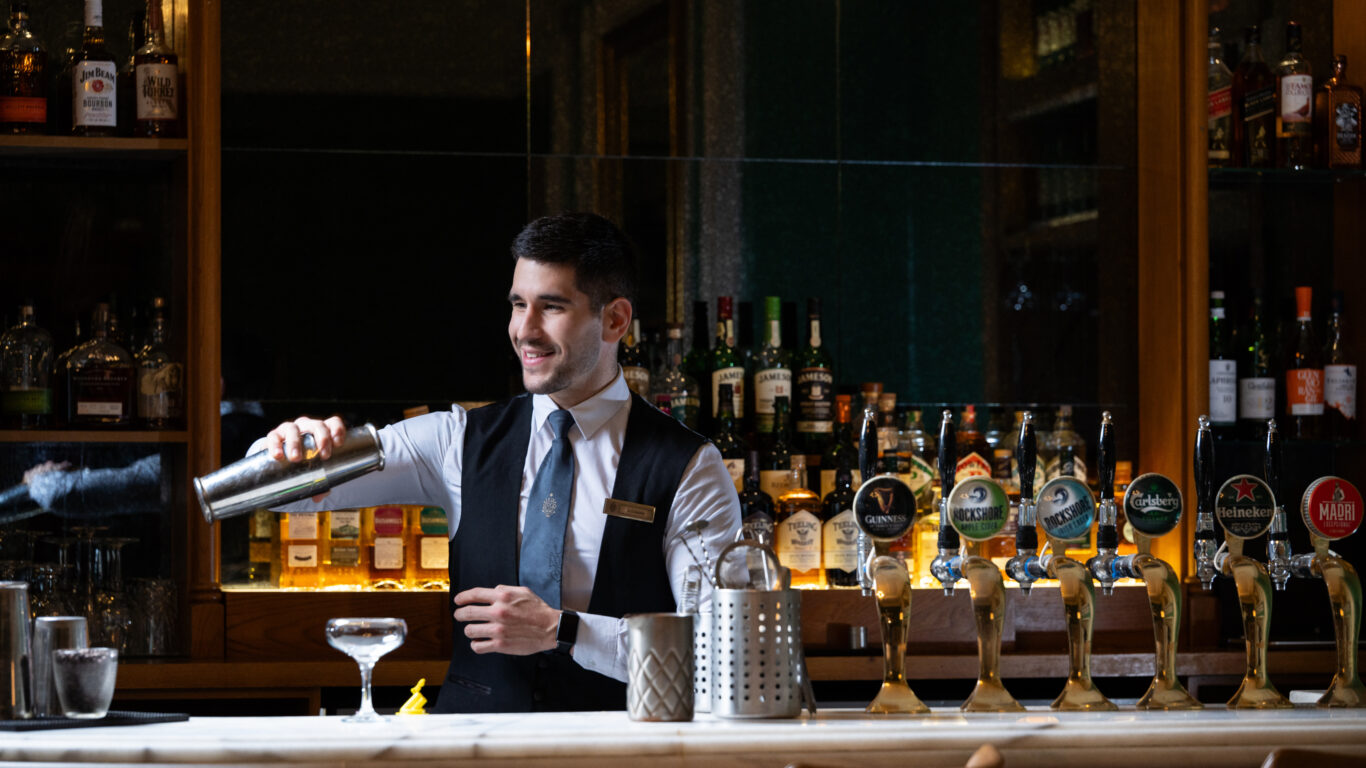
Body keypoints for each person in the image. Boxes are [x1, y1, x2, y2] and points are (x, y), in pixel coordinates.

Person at [255, 212, 741, 713]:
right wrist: (284, 451)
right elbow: (285, 496)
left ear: (615, 319)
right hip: (471, 751)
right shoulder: (455, 439)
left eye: (551, 307)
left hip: (616, 750)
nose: (524, 331)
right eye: (517, 305)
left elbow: (718, 656)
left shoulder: (689, 467)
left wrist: (564, 629)